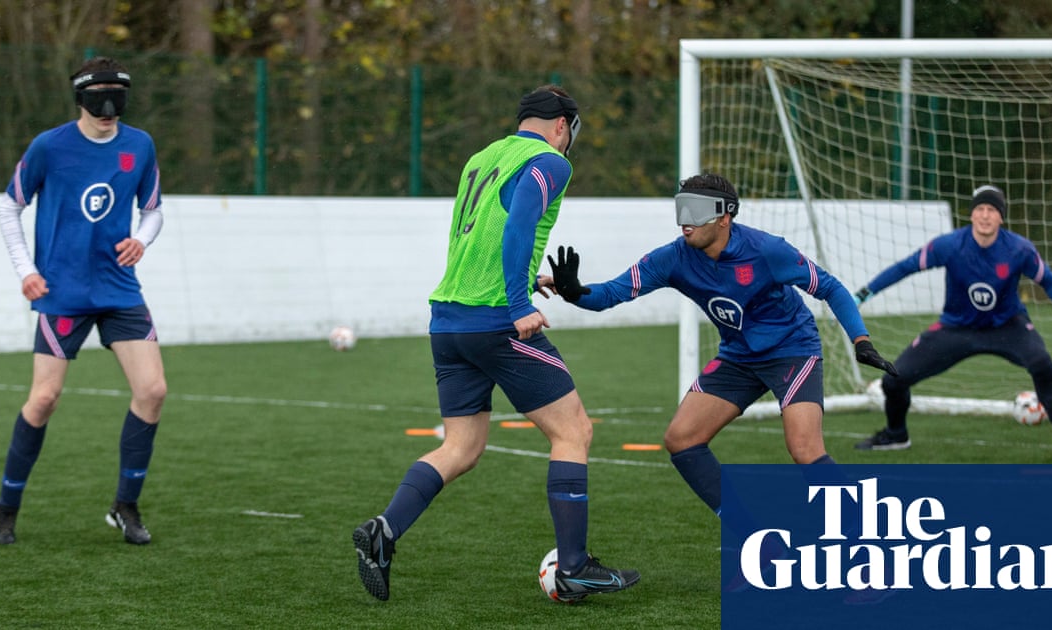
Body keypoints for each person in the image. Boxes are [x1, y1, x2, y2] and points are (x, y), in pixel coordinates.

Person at [351, 85, 639, 603]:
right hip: (495, 322)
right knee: (574, 431)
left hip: (448, 323)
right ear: (561, 126)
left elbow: (480, 237)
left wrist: (529, 280)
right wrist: (517, 303)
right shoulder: (549, 161)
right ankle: (574, 566)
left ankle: (383, 530)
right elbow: (520, 223)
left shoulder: (481, 158)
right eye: (571, 132)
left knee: (460, 448)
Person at [543, 172, 898, 518]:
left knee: (805, 449)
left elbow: (830, 288)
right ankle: (746, 525)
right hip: (738, 356)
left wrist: (860, 340)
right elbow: (611, 294)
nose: (685, 222)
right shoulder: (672, 258)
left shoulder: (767, 250)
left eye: (695, 212)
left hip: (792, 349)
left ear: (724, 216)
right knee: (681, 439)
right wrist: (575, 292)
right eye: (682, 210)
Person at [0, 57, 167, 545]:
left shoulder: (140, 145)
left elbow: (152, 211)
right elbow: (10, 207)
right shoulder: (50, 146)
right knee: (44, 399)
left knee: (152, 391)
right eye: (97, 100)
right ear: (80, 100)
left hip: (118, 291)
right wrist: (27, 271)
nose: (108, 110)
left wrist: (142, 241)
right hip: (62, 293)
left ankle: (125, 506)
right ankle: (5, 511)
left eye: (117, 99)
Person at [853, 185, 1052, 463]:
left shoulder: (1018, 249)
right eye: (979, 209)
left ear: (1001, 217)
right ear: (971, 215)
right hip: (957, 328)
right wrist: (864, 294)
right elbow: (905, 267)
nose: (984, 215)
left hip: (1007, 327)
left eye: (991, 210)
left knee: (1042, 363)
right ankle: (896, 434)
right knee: (894, 380)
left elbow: (1049, 281)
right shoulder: (949, 245)